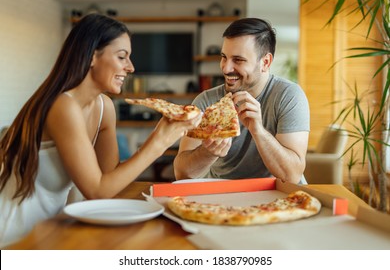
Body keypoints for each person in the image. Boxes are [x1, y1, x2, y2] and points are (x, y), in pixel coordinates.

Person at [0, 13, 201, 248]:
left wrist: (160, 137)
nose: (131, 67)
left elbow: (110, 183)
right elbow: (97, 191)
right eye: (121, 56)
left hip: (50, 232)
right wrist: (159, 142)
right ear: (93, 55)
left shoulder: (105, 107)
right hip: (13, 236)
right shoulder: (62, 106)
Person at [174, 17, 310, 184]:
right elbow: (181, 174)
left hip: (276, 196)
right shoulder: (206, 101)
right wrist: (208, 152)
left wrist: (258, 130)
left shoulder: (289, 96)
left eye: (238, 60)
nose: (226, 68)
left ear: (265, 62)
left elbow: (292, 176)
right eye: (224, 57)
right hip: (221, 197)